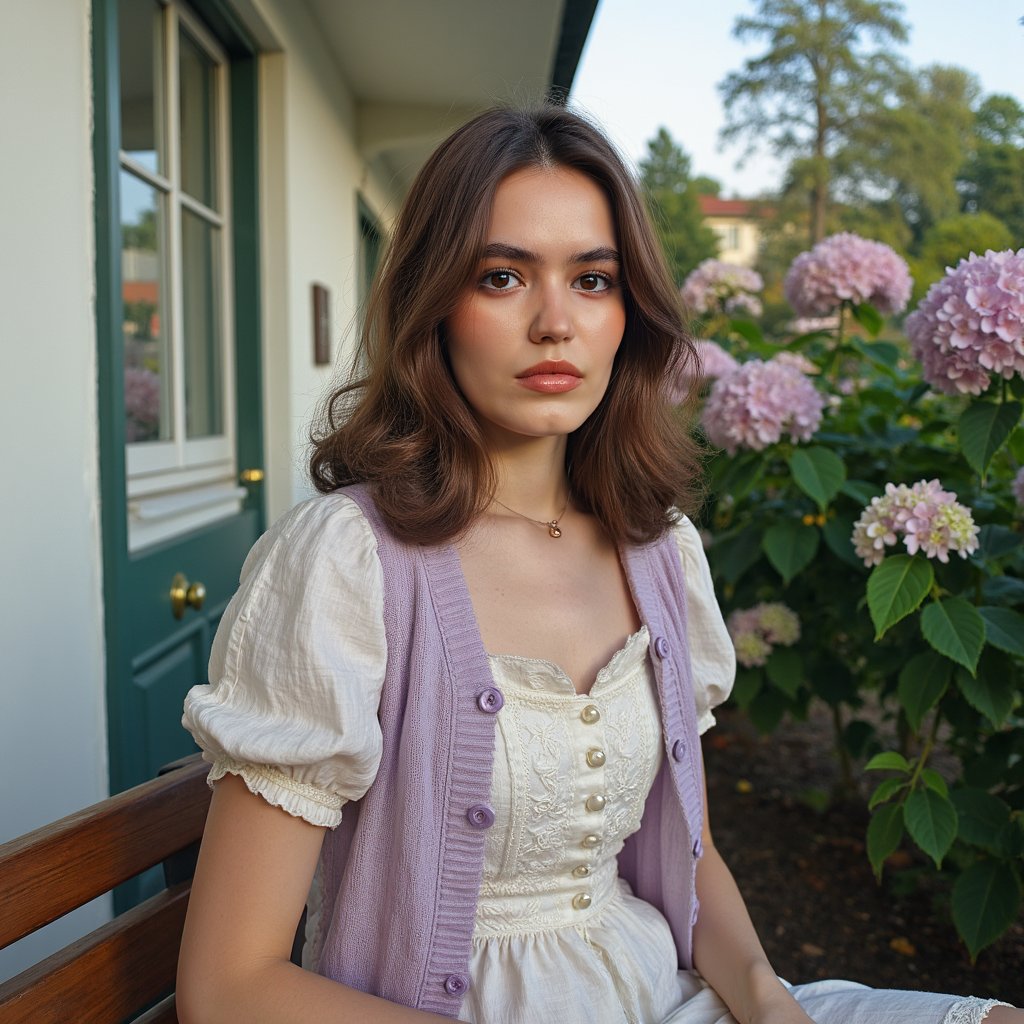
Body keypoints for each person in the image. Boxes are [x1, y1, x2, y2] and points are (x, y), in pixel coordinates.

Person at [177, 105, 1019, 1024]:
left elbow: (683, 847)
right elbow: (228, 987)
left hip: (660, 993)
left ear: (631, 312)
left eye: (591, 279)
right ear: (434, 305)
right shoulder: (346, 562)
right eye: (501, 277)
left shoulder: (659, 552)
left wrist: (766, 999)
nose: (554, 323)